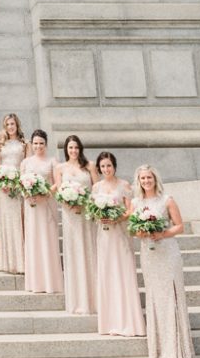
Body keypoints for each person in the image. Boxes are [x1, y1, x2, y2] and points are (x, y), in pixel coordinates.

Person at [131, 163, 194, 358]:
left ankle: (177, 349)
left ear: (155, 179)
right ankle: (159, 349)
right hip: (149, 255)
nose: (146, 181)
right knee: (156, 297)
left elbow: (180, 226)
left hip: (167, 253)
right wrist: (141, 232)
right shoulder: (135, 203)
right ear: (139, 181)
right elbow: (133, 230)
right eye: (143, 178)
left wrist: (162, 233)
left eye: (149, 177)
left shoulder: (167, 200)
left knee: (171, 296)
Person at [92, 151, 144, 338]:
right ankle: (110, 323)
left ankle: (129, 322)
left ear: (114, 166)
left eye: (109, 165)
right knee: (107, 273)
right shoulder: (96, 187)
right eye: (103, 166)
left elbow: (130, 210)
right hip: (104, 236)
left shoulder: (124, 185)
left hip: (120, 234)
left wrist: (116, 218)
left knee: (123, 272)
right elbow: (92, 211)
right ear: (99, 168)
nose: (106, 169)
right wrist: (101, 216)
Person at [54, 134, 98, 315]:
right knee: (74, 252)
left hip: (86, 213)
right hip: (70, 214)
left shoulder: (89, 166)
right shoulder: (60, 168)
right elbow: (59, 191)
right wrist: (69, 202)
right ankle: (77, 300)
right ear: (66, 149)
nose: (73, 151)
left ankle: (94, 299)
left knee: (89, 250)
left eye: (76, 148)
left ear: (80, 149)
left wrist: (85, 201)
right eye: (70, 148)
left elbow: (97, 189)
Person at [21, 129, 63, 294]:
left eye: (41, 143)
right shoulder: (26, 162)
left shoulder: (52, 161)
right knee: (33, 240)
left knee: (47, 239)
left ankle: (50, 282)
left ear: (46, 144)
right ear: (31, 144)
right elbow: (21, 182)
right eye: (36, 143)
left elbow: (57, 183)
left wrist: (44, 194)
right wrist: (28, 194)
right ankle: (35, 282)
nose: (38, 146)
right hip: (31, 205)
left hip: (46, 204)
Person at [0, 113, 28, 273]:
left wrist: (20, 181)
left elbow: (27, 165)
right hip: (4, 187)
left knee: (19, 221)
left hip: (18, 185)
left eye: (12, 124)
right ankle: (9, 262)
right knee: (7, 221)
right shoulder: (0, 143)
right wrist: (1, 180)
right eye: (7, 125)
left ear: (17, 125)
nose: (10, 127)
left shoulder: (24, 143)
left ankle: (22, 261)